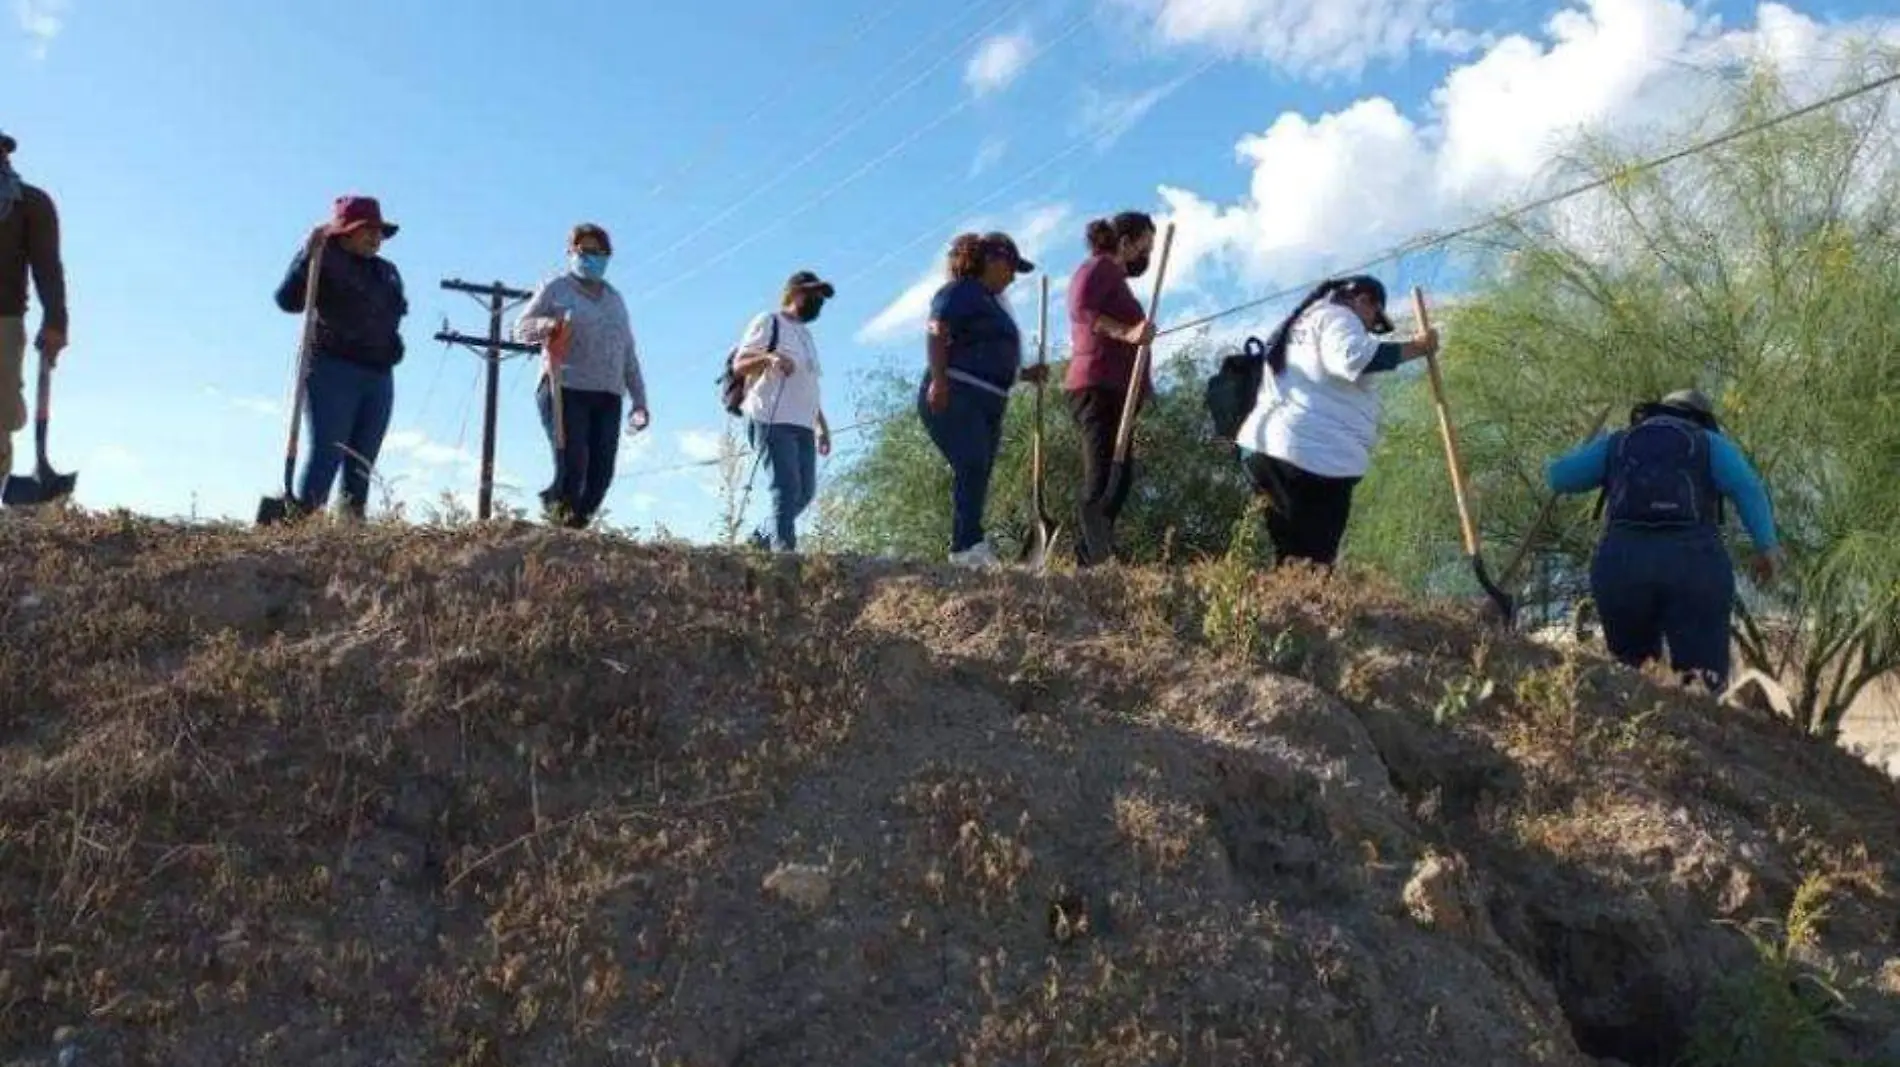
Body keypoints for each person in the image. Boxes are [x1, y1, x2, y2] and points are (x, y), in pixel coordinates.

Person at [1544, 389, 1783, 692]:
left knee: (1630, 673)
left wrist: (1585, 447)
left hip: (1622, 565)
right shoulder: (1709, 444)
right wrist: (1767, 547)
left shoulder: (1617, 443)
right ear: (1702, 419)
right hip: (1694, 565)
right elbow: (1749, 489)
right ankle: (1701, 728)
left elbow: (1558, 477)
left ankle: (1639, 731)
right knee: (1702, 678)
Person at [1233, 275, 1438, 569]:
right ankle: (1302, 611)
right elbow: (1351, 358)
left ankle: (1283, 611)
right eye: (1373, 321)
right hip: (1310, 458)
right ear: (1364, 301)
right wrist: (1418, 347)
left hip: (1272, 451)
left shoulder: (1301, 323)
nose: (1369, 330)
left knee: (1293, 561)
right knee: (1314, 566)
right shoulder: (1338, 317)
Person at [272, 195, 408, 521]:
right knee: (327, 452)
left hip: (378, 375)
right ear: (344, 232)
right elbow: (288, 300)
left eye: (378, 230)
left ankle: (349, 534)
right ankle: (301, 525)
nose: (375, 237)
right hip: (332, 370)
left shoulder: (387, 272)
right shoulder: (323, 258)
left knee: (362, 462)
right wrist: (306, 255)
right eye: (366, 230)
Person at [512, 223, 650, 529]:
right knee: (574, 464)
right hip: (565, 388)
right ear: (572, 252)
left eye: (600, 253)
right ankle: (559, 526)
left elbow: (628, 351)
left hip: (609, 395)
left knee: (600, 476)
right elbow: (520, 328)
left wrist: (639, 401)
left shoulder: (615, 299)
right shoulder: (556, 288)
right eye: (585, 251)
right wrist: (549, 326)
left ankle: (574, 530)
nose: (592, 258)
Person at [918, 232, 1042, 568]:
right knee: (971, 462)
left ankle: (970, 542)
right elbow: (936, 330)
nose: (1013, 277)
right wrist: (940, 380)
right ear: (991, 259)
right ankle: (965, 546)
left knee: (980, 471)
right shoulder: (961, 291)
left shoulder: (993, 304)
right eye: (1011, 267)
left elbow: (989, 356)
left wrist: (1025, 374)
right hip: (957, 391)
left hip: (990, 399)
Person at [1065, 211, 1158, 566]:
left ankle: (1095, 553)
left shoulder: (1115, 279)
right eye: (1144, 247)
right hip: (1096, 385)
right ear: (1125, 242)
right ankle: (1093, 557)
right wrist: (1128, 332)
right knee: (1103, 476)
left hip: (1116, 389)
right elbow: (1081, 308)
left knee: (1118, 478)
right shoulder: (1097, 268)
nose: (1145, 256)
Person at [728, 271, 834, 552]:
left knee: (804, 493)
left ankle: (759, 541)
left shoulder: (806, 335)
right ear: (796, 293)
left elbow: (808, 385)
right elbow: (740, 364)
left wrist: (822, 426)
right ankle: (784, 557)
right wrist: (770, 357)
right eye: (815, 296)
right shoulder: (769, 321)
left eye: (822, 299)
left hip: (803, 424)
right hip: (770, 418)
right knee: (785, 489)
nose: (819, 303)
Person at [0, 129, 67, 501]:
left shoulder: (28, 204)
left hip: (3, 320)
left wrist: (56, 321)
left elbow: (47, 267)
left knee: (1, 412)